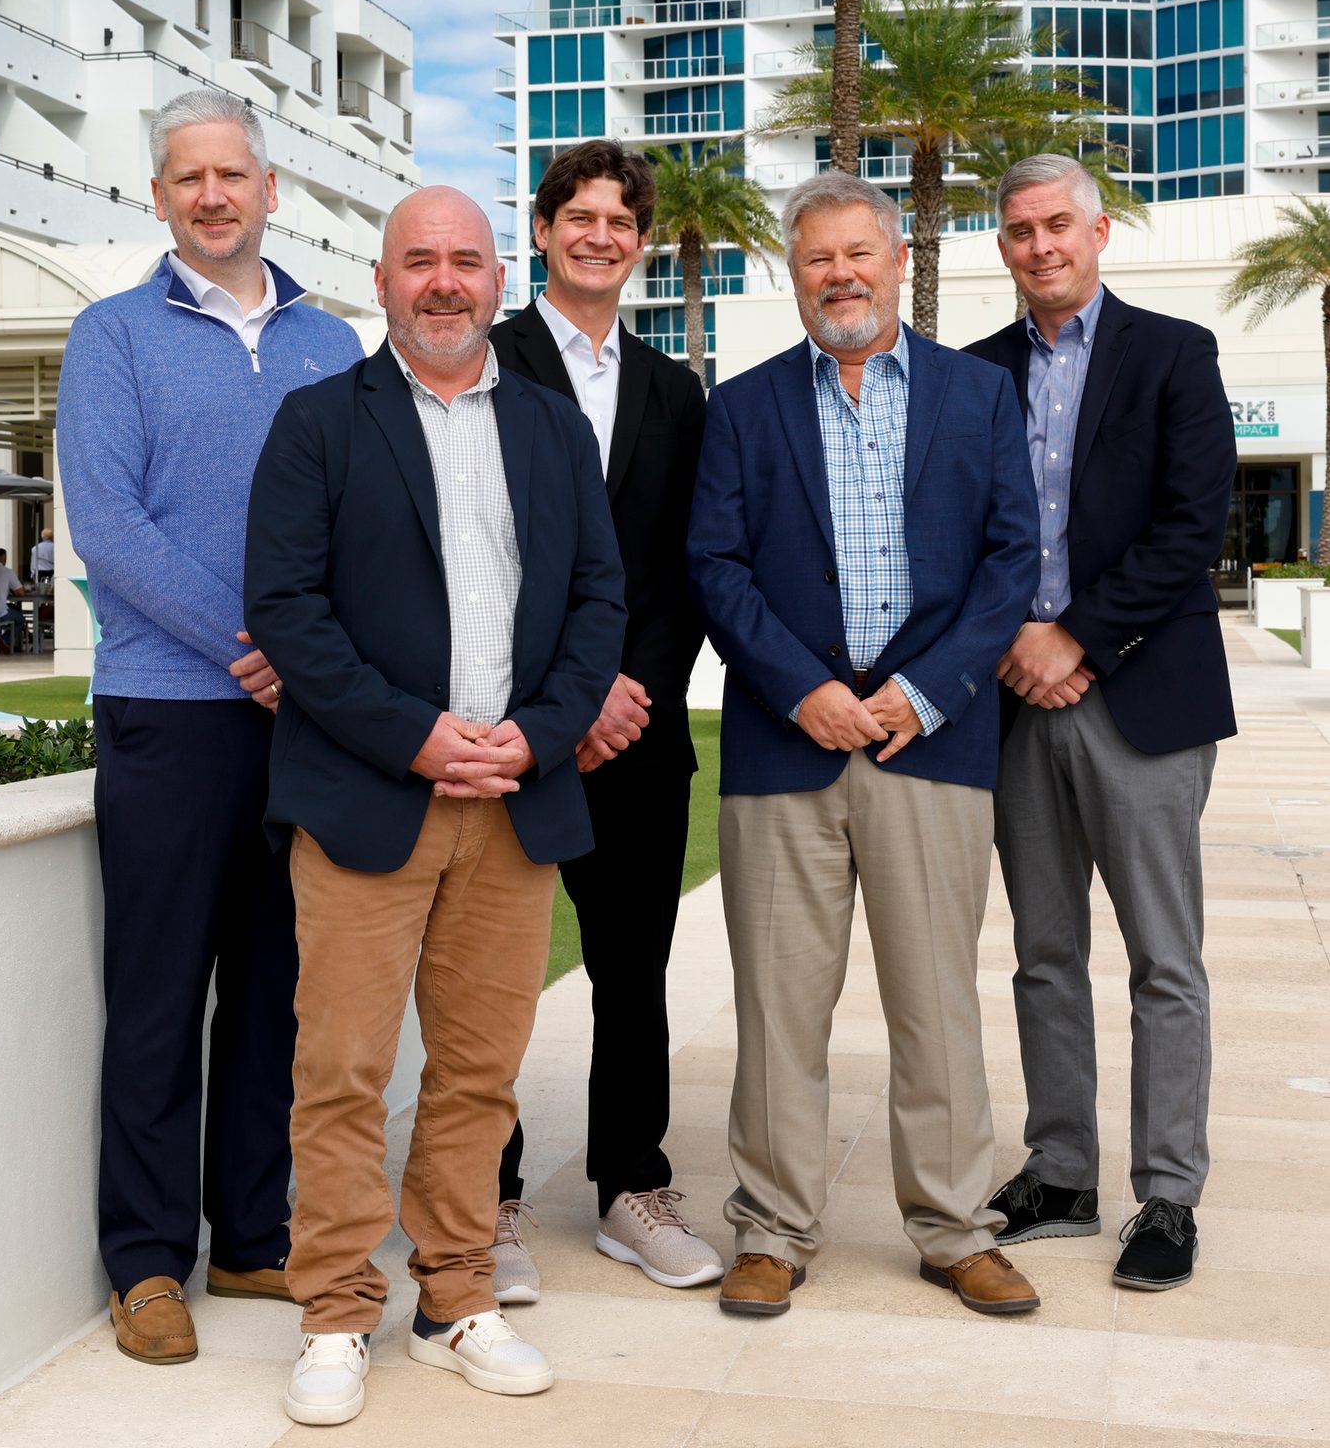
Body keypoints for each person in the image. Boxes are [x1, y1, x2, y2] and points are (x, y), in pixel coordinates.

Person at [244, 187, 626, 1427]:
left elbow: (596, 605)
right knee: (343, 1069)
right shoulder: (317, 425)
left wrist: (537, 732)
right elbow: (289, 610)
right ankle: (336, 1313)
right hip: (367, 801)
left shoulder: (554, 430)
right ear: (383, 277)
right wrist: (416, 738)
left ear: (498, 275)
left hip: (515, 800)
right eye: (422, 262)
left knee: (478, 1074)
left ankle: (457, 1295)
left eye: (465, 261)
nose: (445, 282)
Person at [687, 173, 1042, 1319]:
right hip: (785, 747)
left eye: (857, 252)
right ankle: (772, 1230)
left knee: (935, 1002)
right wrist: (801, 691)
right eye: (813, 259)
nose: (838, 274)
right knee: (778, 1007)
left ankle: (951, 1228)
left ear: (896, 259)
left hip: (929, 745)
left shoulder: (978, 396)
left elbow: (1010, 564)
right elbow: (715, 567)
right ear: (791, 275)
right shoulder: (740, 408)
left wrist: (919, 693)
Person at [54, 87, 363, 1366]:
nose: (213, 195)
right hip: (169, 716)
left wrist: (318, 666)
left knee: (277, 993)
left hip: (301, 728)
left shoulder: (334, 344)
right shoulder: (110, 335)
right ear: (161, 197)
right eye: (188, 178)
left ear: (269, 188)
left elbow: (363, 524)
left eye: (232, 175)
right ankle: (143, 1264)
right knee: (159, 995)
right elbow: (109, 529)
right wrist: (256, 648)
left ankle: (248, 1237)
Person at [966, 153, 1237, 1292]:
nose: (1040, 246)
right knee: (1041, 954)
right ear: (1002, 247)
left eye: (1057, 225)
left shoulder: (1173, 355)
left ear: (1096, 231)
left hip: (1140, 700)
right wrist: (1013, 653)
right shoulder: (973, 374)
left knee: (1162, 960)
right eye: (1019, 231)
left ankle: (1166, 1195)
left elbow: (1191, 525)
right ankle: (1061, 1171)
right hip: (1015, 711)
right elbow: (960, 540)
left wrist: (1071, 637)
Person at [488, 139, 720, 1301]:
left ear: (639, 241)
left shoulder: (677, 391)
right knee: (490, 977)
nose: (597, 235)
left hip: (635, 732)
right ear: (540, 230)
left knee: (633, 971)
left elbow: (688, 566)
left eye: (618, 221)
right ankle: (487, 1200)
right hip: (511, 729)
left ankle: (634, 1187)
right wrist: (559, 702)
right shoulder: (479, 360)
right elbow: (469, 554)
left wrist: (622, 696)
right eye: (576, 215)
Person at [0, 547, 24, 651]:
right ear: (5, 559)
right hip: (0, 613)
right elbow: (20, 593)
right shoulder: (7, 572)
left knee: (10, 608)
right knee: (20, 619)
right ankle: (4, 640)